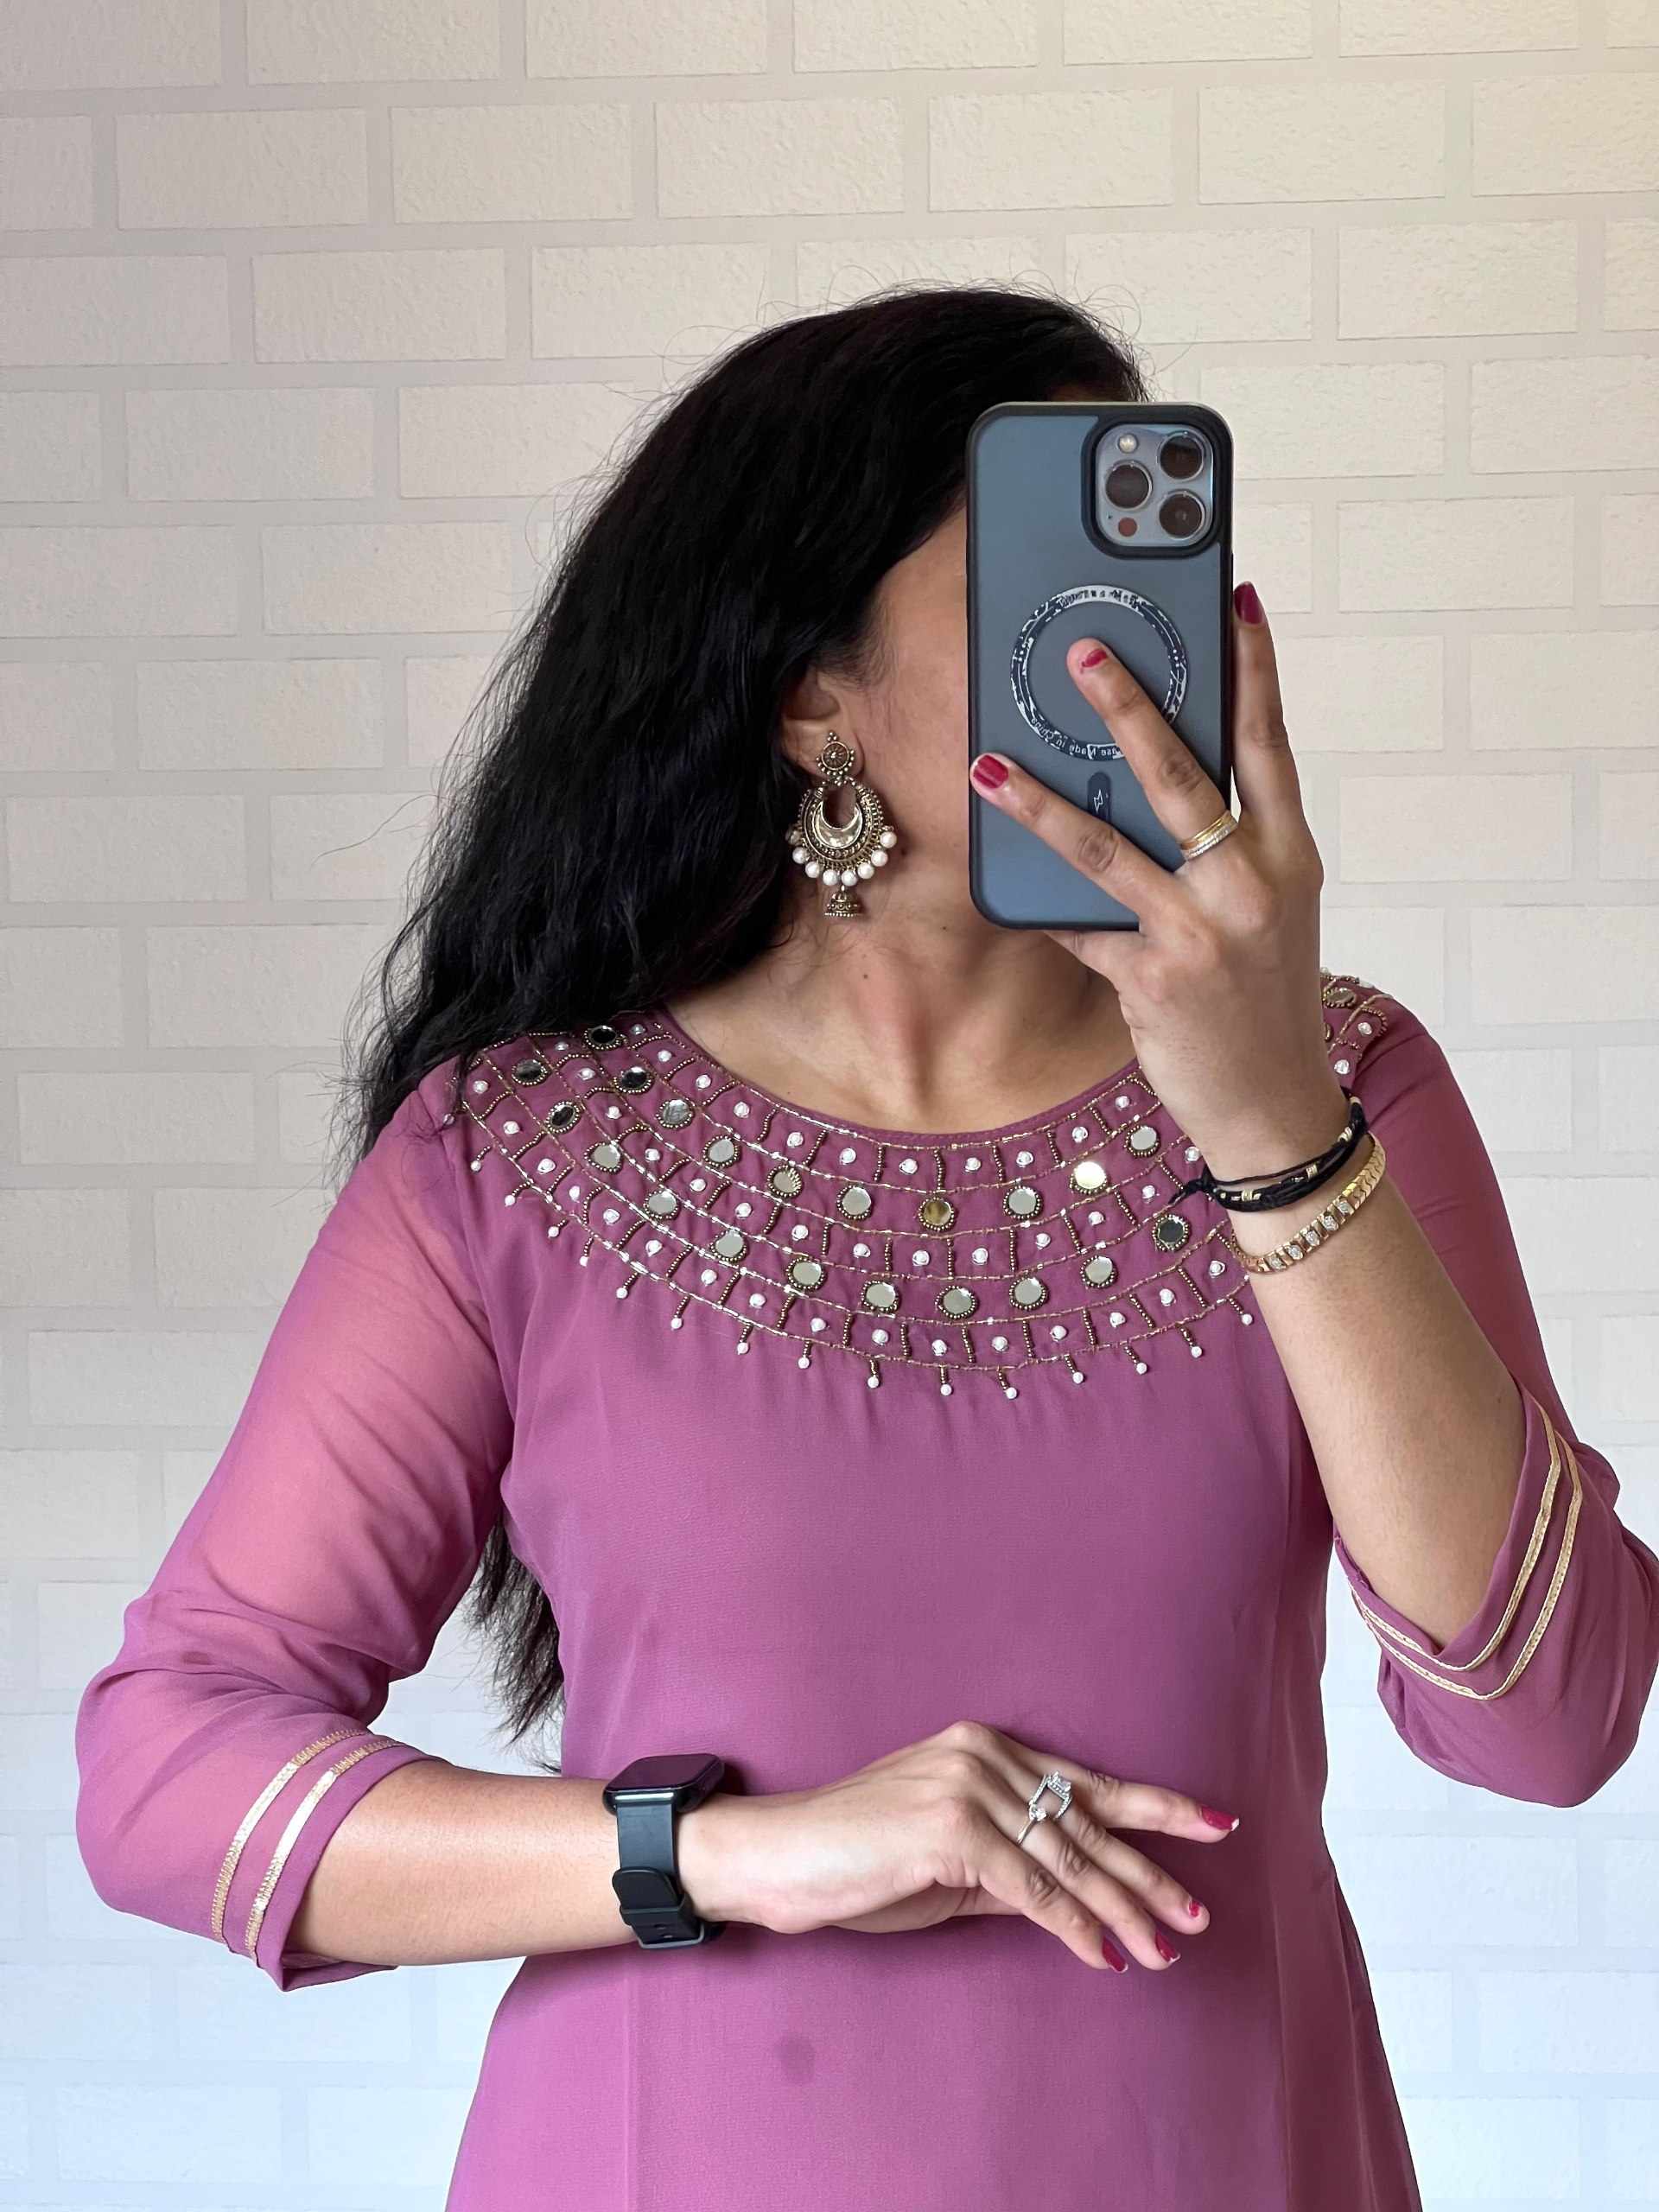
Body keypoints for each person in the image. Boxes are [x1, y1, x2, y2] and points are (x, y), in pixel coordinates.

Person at [74, 284, 1659, 2212]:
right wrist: (739, 1854)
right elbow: (165, 1773)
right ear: (812, 691)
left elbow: (1550, 1721)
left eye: (1149, 585)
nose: (1115, 658)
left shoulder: (1339, 1087)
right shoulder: (520, 1159)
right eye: (1042, 584)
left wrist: (1266, 1126)